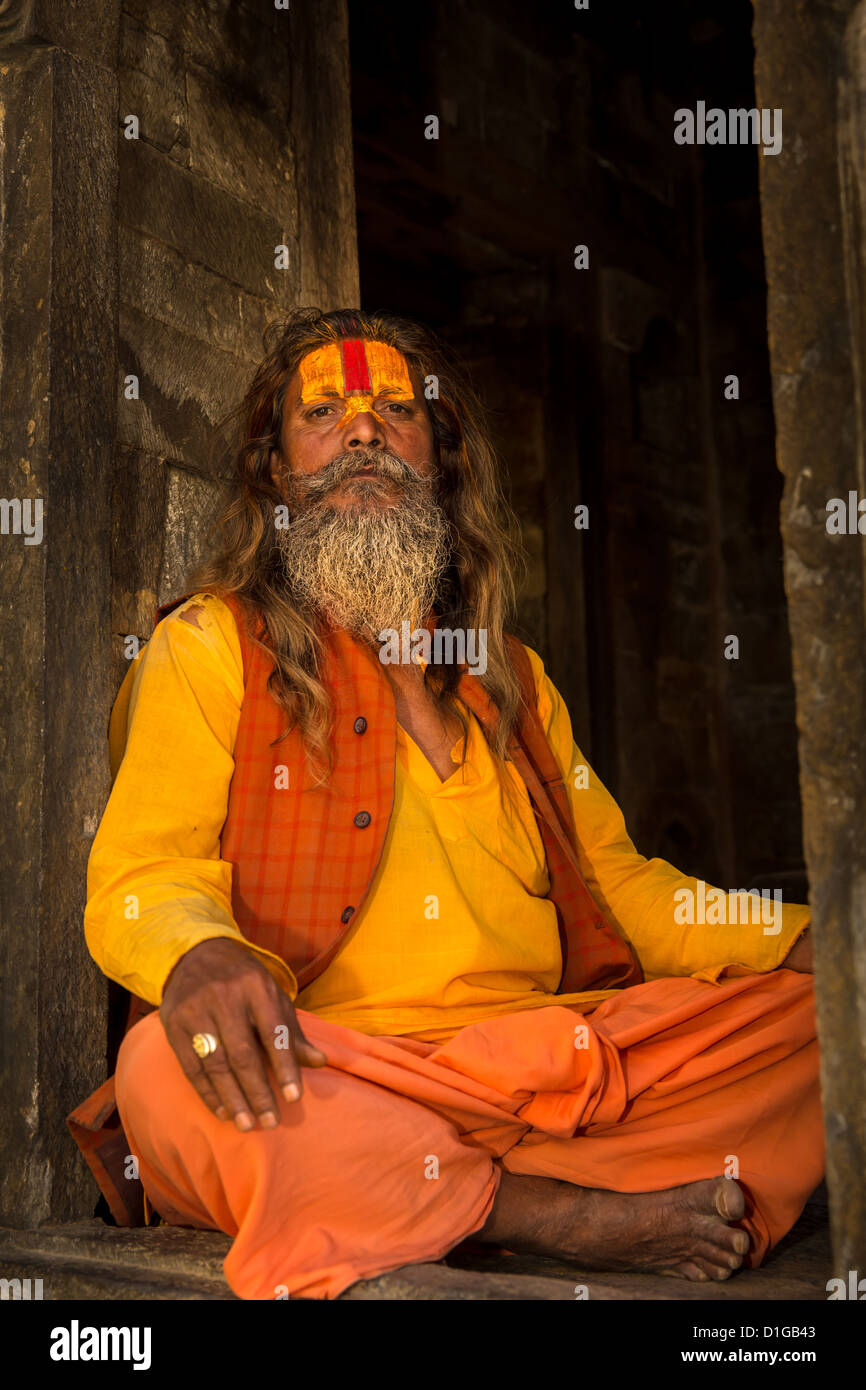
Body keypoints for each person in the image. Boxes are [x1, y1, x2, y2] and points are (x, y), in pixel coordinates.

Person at [72, 308, 822, 1301]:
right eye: (323, 412)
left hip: (552, 1071)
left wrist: (821, 941)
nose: (364, 432)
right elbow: (141, 878)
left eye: (395, 410)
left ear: (443, 461)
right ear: (273, 475)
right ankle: (557, 1215)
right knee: (165, 1071)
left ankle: (440, 1197)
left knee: (825, 1017)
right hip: (341, 1074)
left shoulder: (511, 679)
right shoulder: (210, 647)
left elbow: (629, 890)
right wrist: (193, 954)